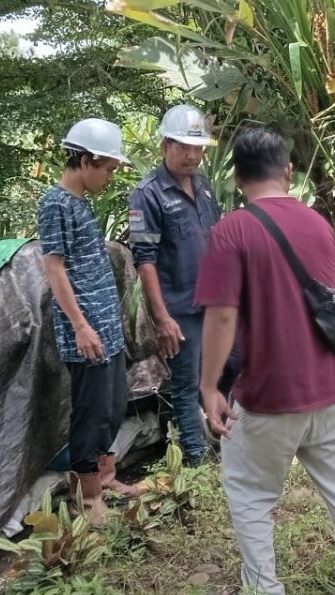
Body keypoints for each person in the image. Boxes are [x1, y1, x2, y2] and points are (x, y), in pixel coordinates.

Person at [194, 127, 335, 595]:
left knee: (250, 495)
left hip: (267, 398)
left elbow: (222, 317)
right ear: (288, 171)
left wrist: (208, 386)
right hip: (334, 389)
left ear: (236, 178)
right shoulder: (319, 225)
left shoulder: (231, 231)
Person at [38, 117, 145, 524]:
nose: (110, 177)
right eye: (108, 169)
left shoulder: (79, 202)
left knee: (113, 405)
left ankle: (106, 477)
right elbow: (55, 269)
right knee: (90, 412)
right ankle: (86, 498)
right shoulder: (55, 204)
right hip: (85, 331)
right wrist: (81, 326)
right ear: (85, 160)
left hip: (106, 327)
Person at [129, 104, 228, 467]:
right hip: (180, 308)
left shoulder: (203, 186)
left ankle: (226, 443)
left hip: (214, 302)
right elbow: (145, 260)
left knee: (221, 372)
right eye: (183, 147)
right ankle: (196, 460)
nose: (191, 155)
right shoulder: (148, 194)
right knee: (187, 383)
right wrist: (162, 318)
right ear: (165, 146)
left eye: (197, 148)